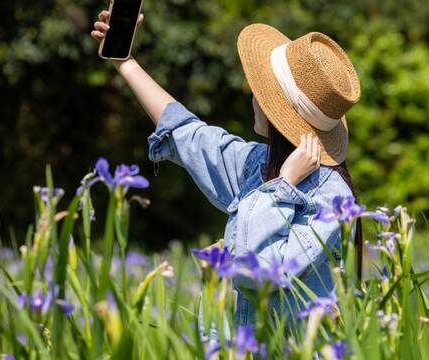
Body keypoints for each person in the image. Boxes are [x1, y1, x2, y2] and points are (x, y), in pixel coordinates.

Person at [90, 13, 363, 329]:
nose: (253, 95)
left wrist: (283, 187)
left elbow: (258, 272)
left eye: (262, 89)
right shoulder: (258, 164)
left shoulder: (330, 198)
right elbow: (188, 133)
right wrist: (126, 62)